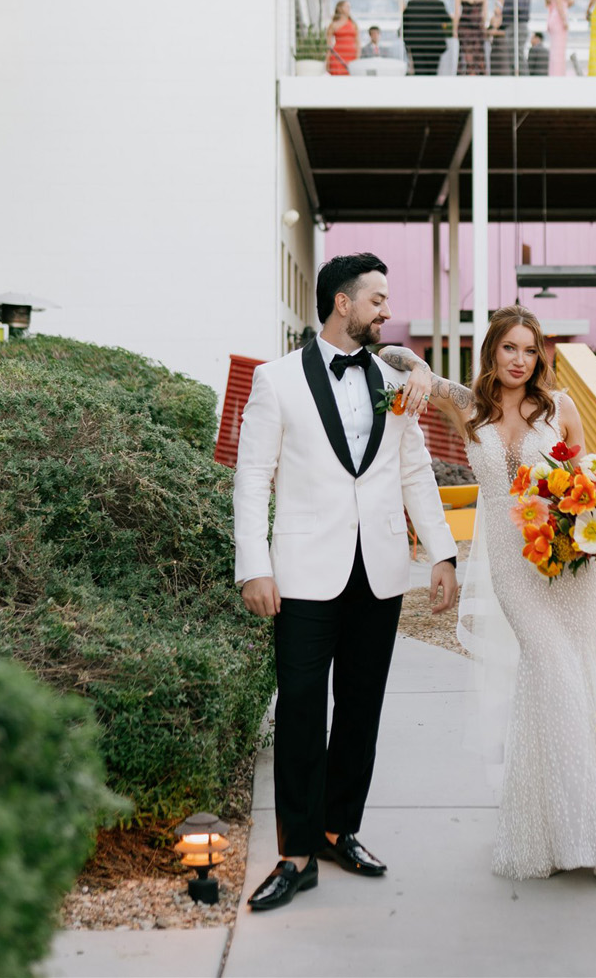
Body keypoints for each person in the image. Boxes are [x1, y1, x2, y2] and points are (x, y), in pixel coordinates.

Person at [377, 308, 596, 891]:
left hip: (570, 571)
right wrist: (417, 366)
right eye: (509, 348)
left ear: (540, 356)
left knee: (573, 687)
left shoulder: (560, 407)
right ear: (492, 352)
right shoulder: (469, 406)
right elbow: (390, 355)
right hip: (516, 576)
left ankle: (564, 827)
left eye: (529, 350)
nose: (519, 360)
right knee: (558, 677)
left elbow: (588, 477)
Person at [235, 254, 459, 911]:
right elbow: (252, 478)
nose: (388, 311)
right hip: (304, 573)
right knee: (303, 709)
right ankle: (296, 853)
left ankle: (339, 829)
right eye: (378, 300)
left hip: (381, 569)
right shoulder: (276, 382)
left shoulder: (397, 378)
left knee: (361, 708)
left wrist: (442, 554)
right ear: (342, 303)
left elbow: (414, 469)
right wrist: (255, 565)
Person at [402, 0, 452, 75]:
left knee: (419, 71)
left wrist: (407, 40)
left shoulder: (412, 3)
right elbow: (447, 20)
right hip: (434, 45)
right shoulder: (438, 3)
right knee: (432, 72)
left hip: (416, 44)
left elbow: (405, 21)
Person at [491, 0, 531, 75]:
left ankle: (523, 80)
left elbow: (519, 7)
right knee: (516, 56)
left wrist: (502, 10)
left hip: (517, 25)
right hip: (517, 25)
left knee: (517, 56)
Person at [454, 0, 487, 75]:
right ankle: (479, 77)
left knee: (467, 53)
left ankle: (469, 74)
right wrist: (483, 26)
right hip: (478, 26)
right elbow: (484, 13)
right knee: (479, 53)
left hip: (465, 26)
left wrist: (454, 29)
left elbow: (457, 12)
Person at [545, 0, 569, 76]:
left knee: (555, 49)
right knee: (559, 50)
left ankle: (554, 73)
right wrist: (564, 20)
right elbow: (559, 2)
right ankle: (558, 74)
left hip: (552, 17)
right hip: (558, 18)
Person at [326, 1, 359, 75]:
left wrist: (357, 59)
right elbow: (329, 45)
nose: (349, 9)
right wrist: (327, 61)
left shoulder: (353, 24)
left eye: (349, 7)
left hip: (351, 57)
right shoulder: (333, 25)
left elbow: (358, 43)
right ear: (340, 8)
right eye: (346, 6)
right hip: (337, 57)